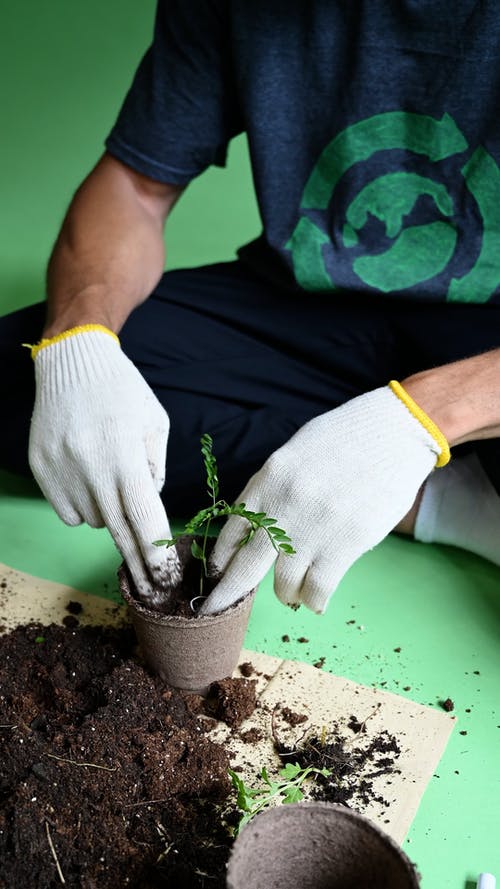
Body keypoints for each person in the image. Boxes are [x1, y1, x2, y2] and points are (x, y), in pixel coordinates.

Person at [1, 0, 500, 615]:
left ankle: (439, 477)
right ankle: (449, 500)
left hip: (488, 339)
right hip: (304, 303)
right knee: (20, 386)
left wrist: (424, 417)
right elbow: (135, 187)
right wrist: (79, 341)